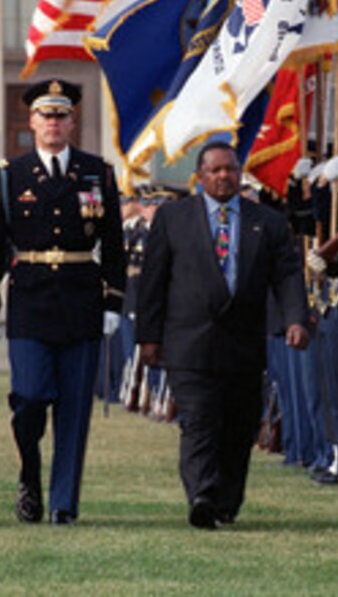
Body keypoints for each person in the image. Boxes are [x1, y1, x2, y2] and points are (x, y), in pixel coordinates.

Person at [136, 141, 308, 529]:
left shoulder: (266, 221)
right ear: (200, 176)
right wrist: (149, 337)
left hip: (243, 343)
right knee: (199, 420)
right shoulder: (174, 218)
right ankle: (202, 494)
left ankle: (227, 501)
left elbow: (287, 275)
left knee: (238, 424)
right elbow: (153, 281)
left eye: (229, 169)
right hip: (189, 342)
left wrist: (297, 319)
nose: (223, 177)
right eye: (214, 170)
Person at [0, 78, 124, 525]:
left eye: (61, 116)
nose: (54, 123)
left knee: (75, 409)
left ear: (72, 122)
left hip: (81, 300)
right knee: (30, 397)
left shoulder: (97, 171)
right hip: (31, 302)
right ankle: (30, 472)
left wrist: (114, 300)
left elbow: (114, 243)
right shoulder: (10, 175)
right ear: (32, 122)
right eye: (46, 115)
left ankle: (63, 503)